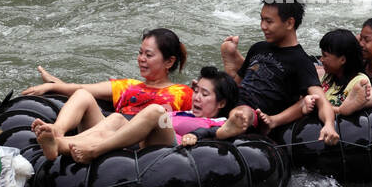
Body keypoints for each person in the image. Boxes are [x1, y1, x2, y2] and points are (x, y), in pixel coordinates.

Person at [33, 67, 241, 161]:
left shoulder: (218, 123)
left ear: (221, 102)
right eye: (196, 91)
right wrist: (57, 85)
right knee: (110, 115)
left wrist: (197, 136)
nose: (196, 97)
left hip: (171, 153)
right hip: (137, 143)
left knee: (156, 112)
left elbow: (226, 131)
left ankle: (94, 151)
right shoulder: (185, 111)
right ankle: (57, 140)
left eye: (205, 94)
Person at [219, 0, 339, 145]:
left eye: (269, 21)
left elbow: (322, 101)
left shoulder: (300, 61)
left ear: (289, 23)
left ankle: (230, 123)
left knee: (243, 113)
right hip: (234, 100)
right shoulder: (258, 48)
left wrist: (329, 125)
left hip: (255, 114)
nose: (263, 26)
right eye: (261, 19)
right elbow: (238, 83)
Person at [23, 28, 192, 115]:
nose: (141, 59)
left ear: (169, 61)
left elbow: (201, 121)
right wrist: (52, 87)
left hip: (152, 143)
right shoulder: (128, 86)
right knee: (82, 95)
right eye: (140, 53)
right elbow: (83, 88)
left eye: (148, 55)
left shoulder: (182, 93)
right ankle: (56, 134)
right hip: (112, 133)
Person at [301, 29, 372, 119]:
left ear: (342, 60)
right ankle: (339, 109)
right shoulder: (328, 77)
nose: (321, 60)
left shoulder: (360, 82)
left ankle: (342, 109)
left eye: (325, 55)